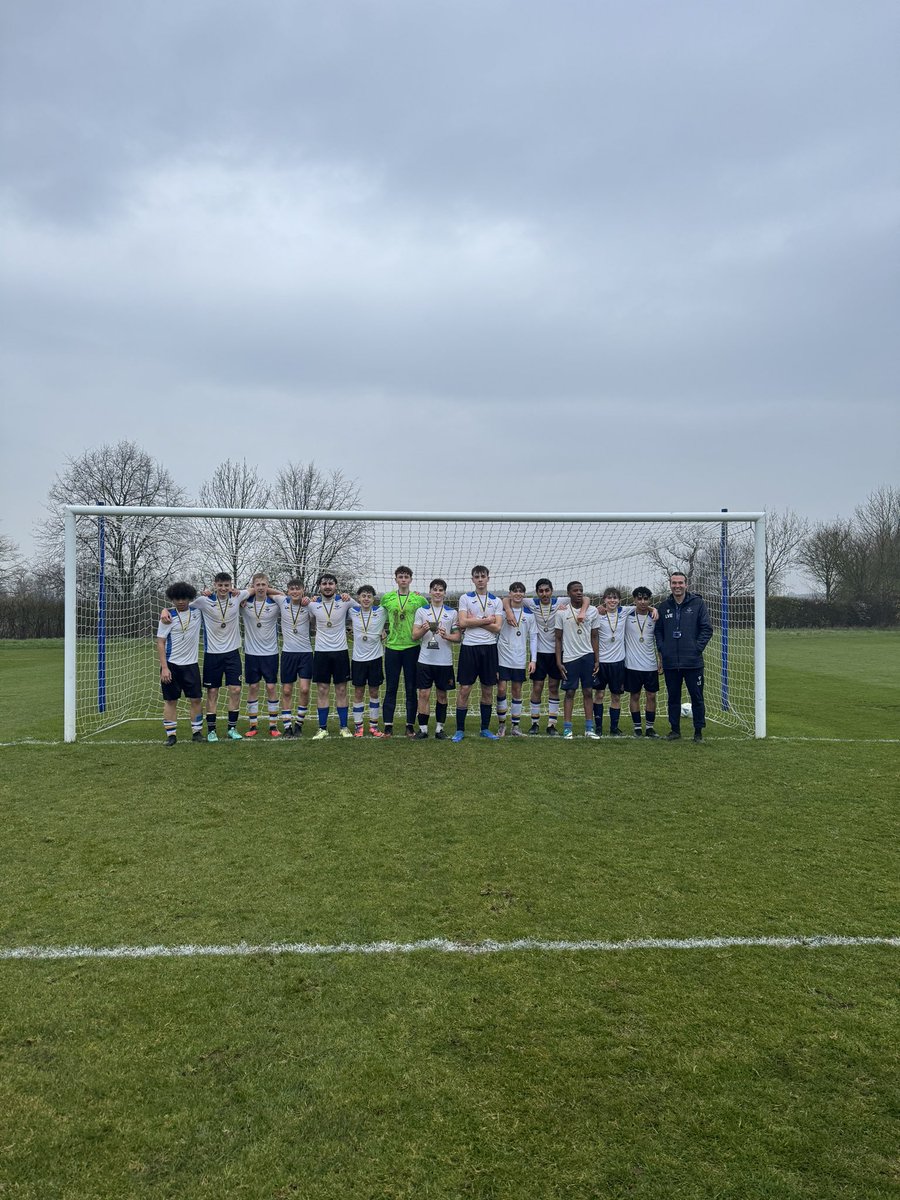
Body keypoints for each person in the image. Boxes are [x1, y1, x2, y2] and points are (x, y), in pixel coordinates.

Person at [162, 572, 251, 741]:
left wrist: (241, 591)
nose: (223, 588)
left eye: (227, 585)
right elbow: (183, 606)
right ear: (215, 585)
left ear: (231, 585)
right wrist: (164, 609)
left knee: (236, 690)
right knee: (212, 692)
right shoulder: (203, 601)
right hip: (212, 654)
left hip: (233, 653)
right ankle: (211, 731)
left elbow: (258, 588)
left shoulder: (238, 597)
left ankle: (232, 728)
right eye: (220, 585)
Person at [511, 578, 586, 736]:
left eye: (547, 590)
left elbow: (585, 598)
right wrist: (509, 610)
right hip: (538, 653)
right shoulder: (531, 603)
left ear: (551, 591)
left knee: (553, 687)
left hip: (557, 653)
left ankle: (552, 724)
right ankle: (535, 723)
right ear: (537, 592)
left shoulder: (560, 600)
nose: (544, 594)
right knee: (537, 687)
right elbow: (507, 598)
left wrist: (585, 610)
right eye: (541, 591)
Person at [654, 571, 713, 742]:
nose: (677, 586)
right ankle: (675, 730)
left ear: (686, 584)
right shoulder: (664, 606)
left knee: (697, 697)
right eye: (674, 583)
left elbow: (706, 629)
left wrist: (696, 648)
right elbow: (658, 631)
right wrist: (663, 648)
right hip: (671, 662)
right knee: (673, 697)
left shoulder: (697, 603)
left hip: (693, 662)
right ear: (670, 584)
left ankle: (698, 732)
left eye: (680, 583)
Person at [452, 565, 503, 741]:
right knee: (465, 689)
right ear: (472, 579)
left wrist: (477, 621)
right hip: (469, 648)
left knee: (488, 690)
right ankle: (459, 730)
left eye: (483, 576)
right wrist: (487, 620)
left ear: (488, 578)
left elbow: (497, 628)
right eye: (477, 576)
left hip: (489, 648)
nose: (480, 579)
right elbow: (462, 622)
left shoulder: (496, 601)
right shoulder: (465, 598)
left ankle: (485, 729)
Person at [380, 567, 427, 738]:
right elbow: (379, 616)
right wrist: (381, 630)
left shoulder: (418, 599)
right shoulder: (387, 598)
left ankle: (409, 726)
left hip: (412, 648)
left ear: (411, 579)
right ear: (396, 579)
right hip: (392, 648)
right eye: (401, 577)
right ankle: (388, 726)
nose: (403, 580)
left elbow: (431, 612)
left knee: (410, 688)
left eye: (406, 577)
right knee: (391, 688)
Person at [306, 572, 354, 739]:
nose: (327, 586)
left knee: (341, 690)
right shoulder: (312, 605)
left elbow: (362, 605)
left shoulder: (345, 601)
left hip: (340, 652)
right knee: (322, 690)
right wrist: (308, 600)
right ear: (319, 586)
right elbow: (306, 616)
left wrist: (348, 596)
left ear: (335, 586)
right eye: (324, 584)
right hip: (321, 652)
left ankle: (343, 727)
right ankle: (322, 728)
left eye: (330, 583)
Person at [156, 581, 204, 746]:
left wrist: (208, 592)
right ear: (172, 599)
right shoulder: (167, 617)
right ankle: (171, 735)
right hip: (171, 665)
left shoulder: (198, 611)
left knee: (196, 699)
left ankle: (197, 732)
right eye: (177, 599)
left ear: (189, 598)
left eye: (184, 598)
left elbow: (212, 600)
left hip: (191, 665)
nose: (181, 601)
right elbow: (160, 642)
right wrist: (164, 668)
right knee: (170, 701)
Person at [411, 578, 460, 738]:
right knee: (423, 694)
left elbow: (458, 637)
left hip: (444, 661)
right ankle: (423, 729)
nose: (438, 592)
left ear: (444, 593)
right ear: (430, 591)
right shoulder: (421, 611)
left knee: (442, 694)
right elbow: (414, 636)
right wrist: (424, 630)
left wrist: (447, 636)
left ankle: (439, 729)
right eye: (435, 589)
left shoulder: (452, 613)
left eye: (441, 590)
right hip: (425, 660)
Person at [554, 581, 600, 739]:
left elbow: (595, 636)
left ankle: (589, 728)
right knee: (570, 693)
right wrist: (559, 661)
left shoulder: (592, 611)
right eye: (575, 590)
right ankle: (567, 728)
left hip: (587, 656)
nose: (579, 592)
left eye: (581, 590)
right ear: (569, 593)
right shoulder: (561, 612)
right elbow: (558, 639)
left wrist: (596, 659)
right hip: (569, 658)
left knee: (588, 691)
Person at [241, 572, 282, 738]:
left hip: (270, 653)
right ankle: (253, 725)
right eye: (257, 585)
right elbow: (231, 596)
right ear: (253, 586)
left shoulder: (275, 602)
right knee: (253, 687)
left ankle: (273, 725)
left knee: (271, 687)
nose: (260, 588)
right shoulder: (244, 603)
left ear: (268, 585)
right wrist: (248, 591)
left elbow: (284, 595)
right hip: (251, 653)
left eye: (263, 584)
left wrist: (268, 589)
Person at [496, 582, 537, 736]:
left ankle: (515, 726)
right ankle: (501, 725)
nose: (518, 594)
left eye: (521, 591)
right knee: (501, 689)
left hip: (519, 657)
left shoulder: (529, 614)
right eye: (515, 591)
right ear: (510, 593)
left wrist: (533, 659)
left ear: (524, 594)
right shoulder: (502, 610)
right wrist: (507, 609)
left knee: (517, 690)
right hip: (502, 655)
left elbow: (533, 637)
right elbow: (502, 602)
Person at [348, 585, 387, 737]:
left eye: (369, 596)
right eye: (363, 596)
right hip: (358, 659)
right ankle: (358, 727)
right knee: (358, 692)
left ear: (373, 599)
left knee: (374, 691)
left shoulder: (381, 611)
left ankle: (373, 726)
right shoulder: (352, 610)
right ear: (358, 598)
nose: (366, 599)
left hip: (375, 658)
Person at [277, 578, 313, 738]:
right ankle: (287, 727)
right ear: (287, 591)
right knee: (286, 690)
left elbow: (323, 605)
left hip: (305, 653)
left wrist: (313, 599)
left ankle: (299, 724)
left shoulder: (309, 605)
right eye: (291, 589)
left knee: (304, 689)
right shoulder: (282, 601)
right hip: (287, 654)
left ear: (303, 590)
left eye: (297, 589)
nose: (295, 592)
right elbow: (266, 590)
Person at [624, 586, 660, 738]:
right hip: (632, 665)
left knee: (651, 696)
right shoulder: (626, 615)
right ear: (634, 600)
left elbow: (659, 640)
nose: (643, 602)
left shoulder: (655, 617)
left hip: (650, 665)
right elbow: (609, 606)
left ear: (649, 600)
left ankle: (650, 728)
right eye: (639, 599)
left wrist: (661, 660)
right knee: (635, 696)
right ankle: (637, 727)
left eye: (646, 599)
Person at [593, 587, 629, 736]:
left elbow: (643, 606)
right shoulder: (597, 614)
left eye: (615, 598)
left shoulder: (625, 612)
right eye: (609, 598)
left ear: (619, 600)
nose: (612, 600)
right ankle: (599, 727)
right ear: (604, 600)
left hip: (618, 663)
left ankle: (614, 728)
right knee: (599, 695)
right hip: (601, 663)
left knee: (616, 696)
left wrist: (653, 608)